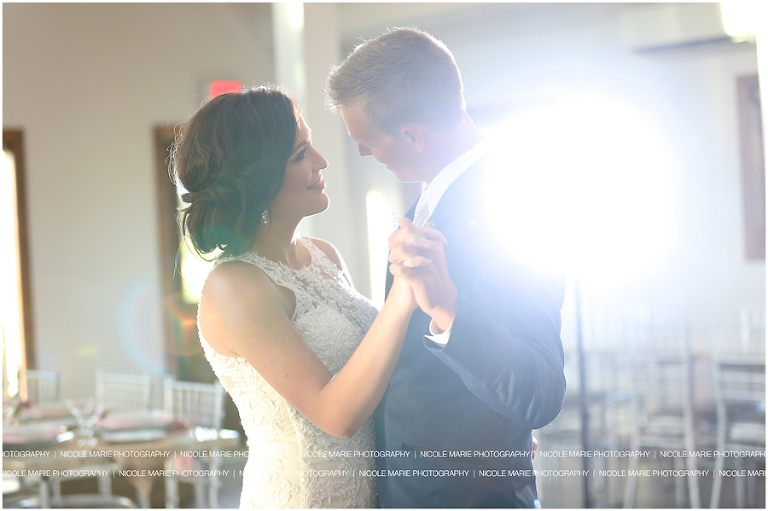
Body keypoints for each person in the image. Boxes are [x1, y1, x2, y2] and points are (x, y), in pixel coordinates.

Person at [171, 85, 445, 508]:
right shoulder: (234, 286)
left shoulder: (324, 255)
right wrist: (403, 292)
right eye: (300, 154)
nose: (322, 162)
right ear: (256, 179)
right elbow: (335, 415)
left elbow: (380, 371)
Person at [326, 28, 567, 507]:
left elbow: (540, 392)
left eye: (367, 140)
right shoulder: (429, 201)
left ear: (413, 135)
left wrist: (449, 309)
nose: (362, 153)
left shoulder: (513, 204)